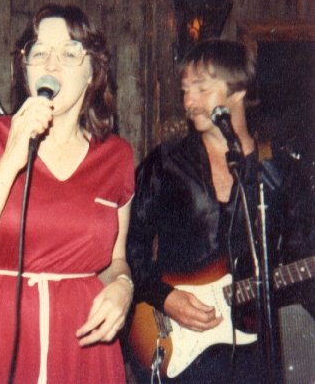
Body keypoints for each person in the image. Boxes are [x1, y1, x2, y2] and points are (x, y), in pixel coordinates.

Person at [0, 4, 135, 383]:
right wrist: (11, 157)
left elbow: (115, 260)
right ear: (24, 69)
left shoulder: (117, 156)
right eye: (39, 52)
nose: (51, 64)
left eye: (69, 53)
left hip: (82, 344)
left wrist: (123, 288)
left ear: (92, 71)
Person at [126, 40, 313, 383]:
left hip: (257, 349)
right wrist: (164, 297)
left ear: (238, 91)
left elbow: (302, 255)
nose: (189, 102)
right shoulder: (165, 164)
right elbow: (128, 248)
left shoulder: (278, 171)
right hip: (178, 347)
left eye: (202, 88)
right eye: (186, 90)